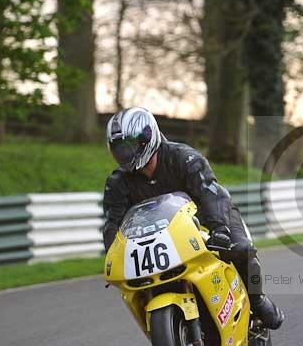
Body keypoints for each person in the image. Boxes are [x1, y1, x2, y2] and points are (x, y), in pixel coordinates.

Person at [101, 107, 284, 329]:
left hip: (210, 218)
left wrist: (219, 229)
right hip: (163, 237)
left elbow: (210, 194)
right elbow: (114, 222)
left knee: (240, 249)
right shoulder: (117, 183)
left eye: (129, 147)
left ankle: (258, 300)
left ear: (146, 138)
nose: (125, 154)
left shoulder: (184, 158)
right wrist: (113, 253)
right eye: (119, 149)